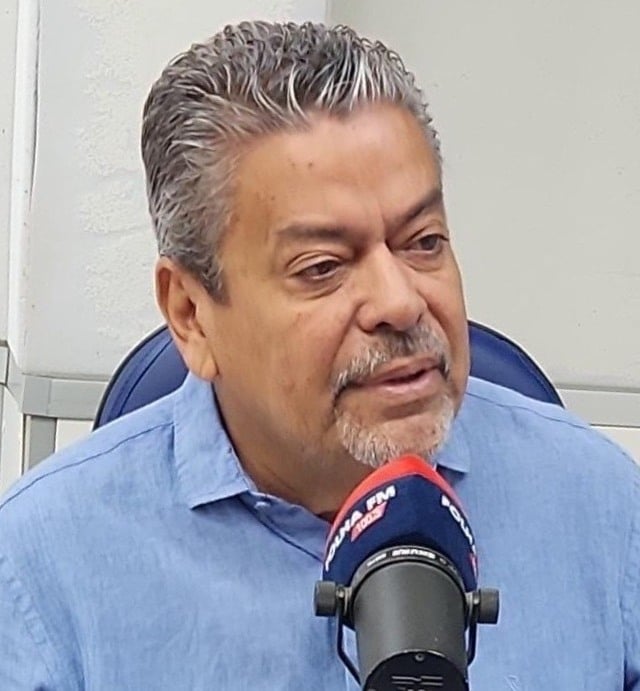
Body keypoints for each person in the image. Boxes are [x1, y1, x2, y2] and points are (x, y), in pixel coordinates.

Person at [1, 20, 638, 690]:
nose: (400, 302)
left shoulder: (603, 509)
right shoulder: (40, 572)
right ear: (190, 314)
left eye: (424, 242)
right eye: (323, 267)